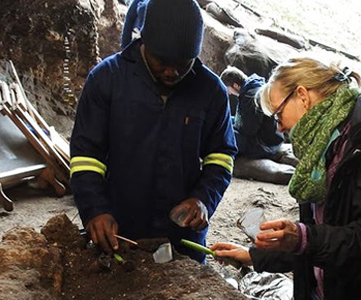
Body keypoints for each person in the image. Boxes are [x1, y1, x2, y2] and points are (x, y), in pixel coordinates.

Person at [211, 55, 361, 299]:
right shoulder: (322, 145)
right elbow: (321, 234)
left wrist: (303, 238)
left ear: (303, 96)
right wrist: (255, 256)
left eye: (278, 115)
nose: (279, 128)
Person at [70, 0, 237, 263]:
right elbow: (86, 155)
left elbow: (221, 156)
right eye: (162, 61)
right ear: (144, 42)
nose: (172, 72)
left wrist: (203, 199)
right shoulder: (107, 79)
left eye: (183, 63)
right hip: (120, 232)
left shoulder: (211, 91)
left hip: (182, 237)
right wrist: (94, 210)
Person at [220, 66, 285, 161]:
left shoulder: (249, 97)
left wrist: (230, 127)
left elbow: (248, 130)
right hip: (273, 138)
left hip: (265, 145)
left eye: (228, 89)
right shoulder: (254, 86)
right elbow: (243, 119)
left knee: (223, 134)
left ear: (235, 85)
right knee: (224, 121)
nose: (229, 93)